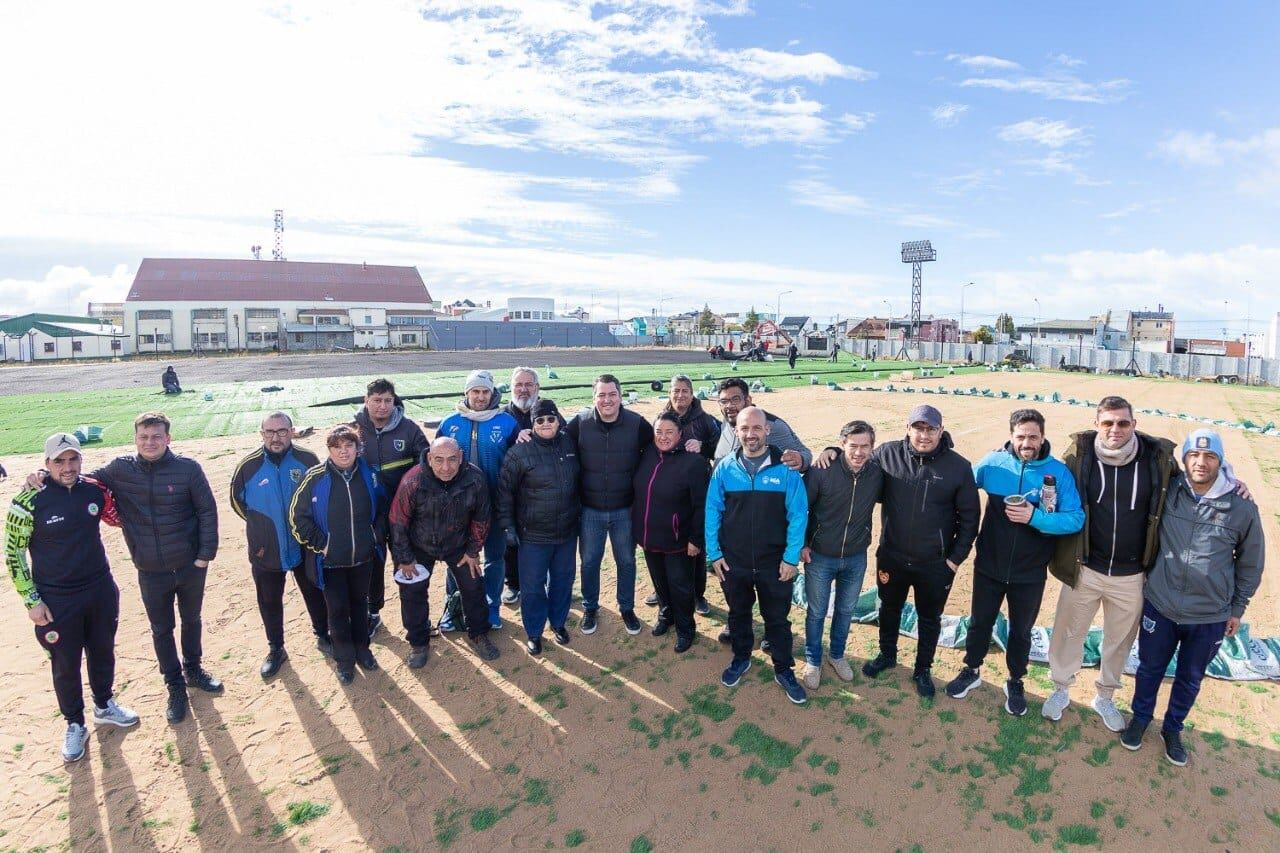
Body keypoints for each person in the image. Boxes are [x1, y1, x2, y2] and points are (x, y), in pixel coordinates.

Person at [27, 412, 222, 723]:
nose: (150, 442)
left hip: (189, 565)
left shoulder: (188, 469)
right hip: (150, 569)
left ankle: (194, 670)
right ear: (135, 439)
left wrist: (204, 556)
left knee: (192, 619)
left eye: (157, 436)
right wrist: (42, 473)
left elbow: (207, 511)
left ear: (168, 439)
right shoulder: (120, 469)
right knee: (161, 630)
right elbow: (77, 477)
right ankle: (174, 685)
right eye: (144, 437)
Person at [1121, 430, 1264, 765]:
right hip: (1162, 603)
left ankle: (1173, 727)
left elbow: (1251, 562)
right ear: (1184, 459)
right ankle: (1141, 718)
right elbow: (1141, 444)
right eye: (1194, 456)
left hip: (1209, 614)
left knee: (1190, 677)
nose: (1201, 463)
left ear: (1221, 461)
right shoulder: (1168, 492)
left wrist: (1238, 608)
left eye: (1210, 457)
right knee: (1150, 667)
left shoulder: (1241, 507)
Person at [1042, 396, 1179, 732]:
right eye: (1108, 422)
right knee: (1068, 632)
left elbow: (1192, 486)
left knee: (1119, 641)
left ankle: (1105, 696)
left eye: (1123, 423)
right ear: (1096, 424)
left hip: (1132, 575)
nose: (1115, 429)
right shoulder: (1078, 457)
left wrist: (1235, 484)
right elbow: (1047, 487)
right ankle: (1060, 688)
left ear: (1134, 424)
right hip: (1086, 568)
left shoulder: (1157, 460)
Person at [5, 433, 139, 762]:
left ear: (81, 459)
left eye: (73, 459)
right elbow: (13, 554)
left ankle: (104, 705)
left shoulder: (93, 490)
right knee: (65, 664)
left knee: (103, 651)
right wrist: (31, 600)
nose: (67, 467)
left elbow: (121, 517)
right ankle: (75, 723)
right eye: (59, 461)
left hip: (99, 589)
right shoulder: (28, 500)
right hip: (56, 600)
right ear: (47, 463)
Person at [944, 409, 1084, 715]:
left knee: (1021, 630)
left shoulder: (1058, 473)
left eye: (1033, 436)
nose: (1026, 442)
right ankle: (971, 670)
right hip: (989, 565)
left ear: (1043, 437)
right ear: (1011, 436)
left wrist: (1035, 517)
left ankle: (1016, 680)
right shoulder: (993, 464)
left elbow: (1075, 518)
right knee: (980, 622)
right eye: (1020, 436)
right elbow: (958, 485)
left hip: (1030, 572)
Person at [862, 404, 980, 698]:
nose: (924, 435)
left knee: (930, 618)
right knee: (888, 609)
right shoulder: (886, 455)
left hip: (935, 564)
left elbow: (970, 519)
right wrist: (829, 450)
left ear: (941, 430)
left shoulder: (959, 467)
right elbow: (854, 462)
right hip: (892, 556)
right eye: (918, 428)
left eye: (930, 429)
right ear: (908, 428)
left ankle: (922, 669)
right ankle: (887, 655)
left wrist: (953, 561)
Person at [706, 406, 809, 703]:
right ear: (736, 432)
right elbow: (713, 511)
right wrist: (715, 554)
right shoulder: (725, 468)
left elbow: (798, 515)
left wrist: (790, 559)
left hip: (775, 564)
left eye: (756, 428)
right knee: (738, 614)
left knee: (776, 619)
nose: (750, 434)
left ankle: (783, 667)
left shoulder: (785, 470)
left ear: (767, 430)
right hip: (733, 562)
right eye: (744, 429)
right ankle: (741, 657)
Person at [229, 412, 330, 680]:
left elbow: (321, 496)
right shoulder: (247, 467)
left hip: (304, 544)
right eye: (270, 432)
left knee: (315, 590)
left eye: (282, 431)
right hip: (266, 548)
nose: (276, 437)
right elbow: (238, 503)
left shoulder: (307, 460)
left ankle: (323, 634)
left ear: (292, 431)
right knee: (269, 600)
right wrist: (264, 527)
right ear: (261, 434)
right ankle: (276, 648)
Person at [712, 377, 811, 647]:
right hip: (734, 529)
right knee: (736, 593)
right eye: (724, 401)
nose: (730, 405)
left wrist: (801, 460)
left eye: (736, 399)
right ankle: (738, 625)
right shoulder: (726, 426)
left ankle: (771, 633)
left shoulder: (774, 425)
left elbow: (804, 454)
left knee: (772, 597)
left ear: (748, 400)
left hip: (768, 529)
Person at [389, 437, 500, 668]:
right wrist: (404, 558)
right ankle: (419, 643)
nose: (445, 467)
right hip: (419, 546)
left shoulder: (475, 478)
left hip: (458, 545)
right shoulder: (413, 480)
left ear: (460, 457)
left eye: (452, 460)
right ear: (429, 458)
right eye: (438, 460)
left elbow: (482, 517)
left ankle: (478, 633)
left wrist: (472, 550)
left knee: (473, 586)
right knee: (412, 593)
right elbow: (398, 521)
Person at [289, 424, 386, 685]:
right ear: (329, 449)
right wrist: (324, 545)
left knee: (360, 605)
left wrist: (374, 535)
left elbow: (382, 508)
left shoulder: (369, 475)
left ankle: (363, 650)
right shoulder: (315, 477)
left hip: (363, 558)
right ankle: (344, 659)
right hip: (330, 562)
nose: (344, 452)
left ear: (357, 448)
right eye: (337, 447)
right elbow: (298, 519)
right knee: (338, 611)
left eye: (348, 446)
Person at [566, 374, 654, 635]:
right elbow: (555, 443)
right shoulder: (580, 423)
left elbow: (659, 448)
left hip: (624, 509)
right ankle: (590, 607)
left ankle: (626, 607)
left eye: (612, 394)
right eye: (601, 395)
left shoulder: (637, 424)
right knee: (590, 561)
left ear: (620, 395)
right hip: (590, 510)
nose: (607, 400)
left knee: (626, 561)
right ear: (594, 397)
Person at [799, 420, 883, 690]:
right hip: (820, 556)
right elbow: (801, 509)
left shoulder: (876, 474)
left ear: (872, 447)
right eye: (853, 446)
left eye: (865, 447)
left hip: (856, 557)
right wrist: (802, 544)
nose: (859, 452)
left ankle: (836, 655)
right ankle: (813, 659)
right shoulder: (822, 471)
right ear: (842, 444)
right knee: (817, 612)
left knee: (845, 610)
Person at [435, 370, 519, 632]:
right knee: (456, 559)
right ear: (467, 393)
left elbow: (518, 463)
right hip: (458, 508)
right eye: (475, 391)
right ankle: (454, 606)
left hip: (494, 506)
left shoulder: (507, 423)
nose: (480, 397)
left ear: (492, 393)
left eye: (485, 391)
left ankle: (492, 607)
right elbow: (435, 461)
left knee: (495, 559)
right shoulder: (450, 423)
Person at [497, 400, 581, 655]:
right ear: (532, 425)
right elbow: (505, 494)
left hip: (566, 533)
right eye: (539, 420)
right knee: (532, 587)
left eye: (550, 419)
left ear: (558, 420)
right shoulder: (518, 452)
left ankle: (558, 623)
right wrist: (508, 527)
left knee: (562, 582)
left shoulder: (570, 444)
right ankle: (534, 631)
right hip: (533, 535)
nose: (546, 424)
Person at [354, 378, 428, 639]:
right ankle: (373, 614)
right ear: (367, 401)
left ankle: (417, 622)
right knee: (372, 566)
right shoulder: (354, 430)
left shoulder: (409, 430)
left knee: (407, 564)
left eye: (388, 401)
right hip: (368, 516)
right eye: (377, 400)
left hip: (404, 515)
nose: (382, 406)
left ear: (394, 402)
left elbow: (426, 463)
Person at [632, 412, 710, 652]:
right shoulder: (646, 456)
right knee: (660, 582)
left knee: (680, 586)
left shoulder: (694, 463)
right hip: (649, 536)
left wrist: (696, 539)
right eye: (659, 432)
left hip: (678, 540)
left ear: (680, 434)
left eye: (669, 432)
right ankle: (666, 616)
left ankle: (686, 627)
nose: (663, 437)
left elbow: (701, 505)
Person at [643, 374, 719, 613]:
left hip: (695, 490)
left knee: (695, 544)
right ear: (669, 393)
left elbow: (721, 447)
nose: (680, 395)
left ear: (692, 393)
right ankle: (662, 588)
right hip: (668, 492)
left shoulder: (706, 421)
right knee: (664, 543)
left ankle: (698, 594)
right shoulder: (661, 418)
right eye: (676, 390)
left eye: (685, 391)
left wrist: (704, 447)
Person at [499, 366, 542, 603]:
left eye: (529, 385)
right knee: (510, 540)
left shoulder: (547, 412)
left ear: (537, 388)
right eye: (519, 385)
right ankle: (512, 583)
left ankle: (539, 581)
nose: (523, 390)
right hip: (510, 492)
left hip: (541, 492)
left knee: (538, 540)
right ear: (512, 387)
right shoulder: (501, 416)